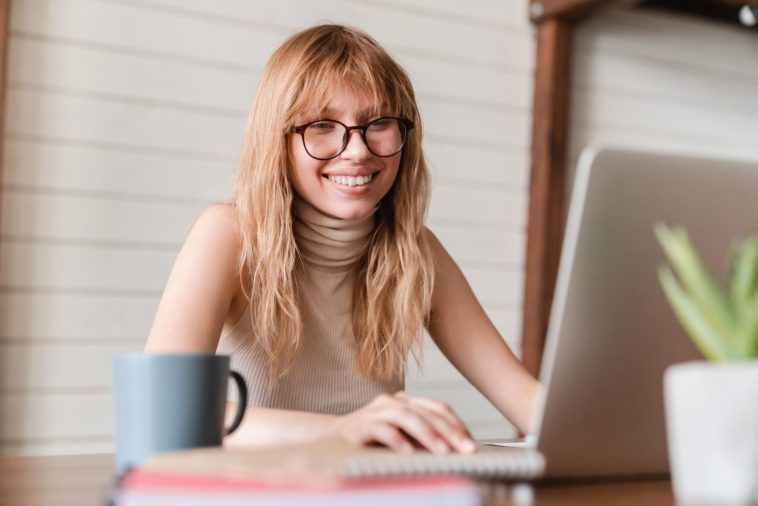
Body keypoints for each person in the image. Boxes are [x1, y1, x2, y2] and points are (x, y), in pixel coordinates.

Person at [144, 24, 540, 455]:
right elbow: (162, 412)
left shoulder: (416, 250)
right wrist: (343, 430)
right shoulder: (229, 234)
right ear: (278, 141)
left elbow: (528, 403)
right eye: (322, 125)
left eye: (379, 123)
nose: (357, 150)